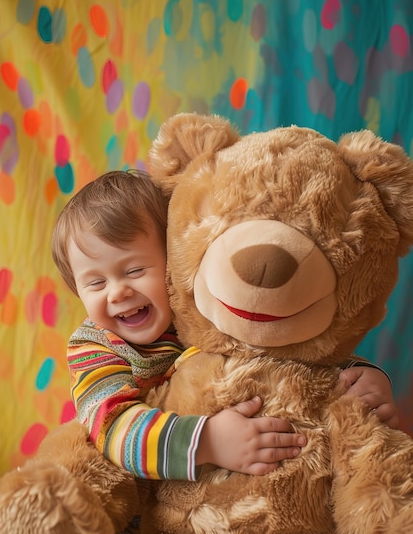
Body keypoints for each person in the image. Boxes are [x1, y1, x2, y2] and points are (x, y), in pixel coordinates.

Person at [51, 169, 398, 483]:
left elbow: (290, 347)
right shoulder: (96, 347)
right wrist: (208, 442)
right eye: (95, 284)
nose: (117, 292)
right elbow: (111, 429)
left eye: (135, 270)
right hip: (155, 500)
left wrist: (365, 376)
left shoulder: (208, 308)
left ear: (176, 258)